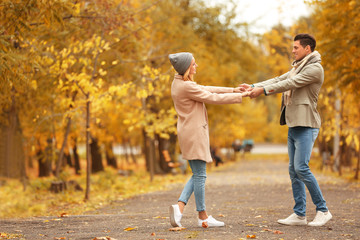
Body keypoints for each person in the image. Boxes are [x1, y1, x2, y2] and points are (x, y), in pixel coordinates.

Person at [241, 34, 332, 227]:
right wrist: (253, 86)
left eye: (296, 47)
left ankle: (323, 210)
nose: (293, 50)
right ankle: (299, 214)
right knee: (293, 170)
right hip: (294, 123)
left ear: (308, 49)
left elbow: (289, 84)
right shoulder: (297, 67)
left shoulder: (315, 69)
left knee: (301, 168)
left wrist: (263, 92)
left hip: (307, 124)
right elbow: (278, 78)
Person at [168, 52, 248, 228]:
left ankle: (180, 208)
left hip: (189, 132)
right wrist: (241, 96)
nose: (196, 67)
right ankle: (202, 217)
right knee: (201, 174)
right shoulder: (186, 87)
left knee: (197, 174)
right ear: (186, 68)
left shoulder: (179, 83)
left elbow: (205, 88)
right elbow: (212, 97)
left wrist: (233, 90)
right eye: (194, 65)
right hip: (194, 133)